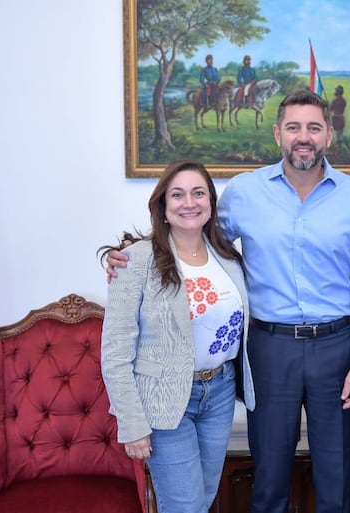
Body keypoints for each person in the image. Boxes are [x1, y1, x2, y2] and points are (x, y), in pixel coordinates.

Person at [106, 90, 350, 513]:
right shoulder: (244, 191)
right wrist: (133, 254)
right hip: (270, 349)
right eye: (293, 127)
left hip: (337, 348)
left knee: (337, 476)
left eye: (314, 127)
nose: (303, 136)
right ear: (278, 133)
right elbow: (193, 235)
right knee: (270, 475)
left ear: (328, 135)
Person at [100, 160, 255, 513]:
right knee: (184, 506)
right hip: (166, 400)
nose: (190, 202)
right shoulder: (135, 260)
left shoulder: (228, 257)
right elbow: (115, 351)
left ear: (211, 204)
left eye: (199, 193)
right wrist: (132, 423)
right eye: (178, 194)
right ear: (163, 207)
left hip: (218, 394)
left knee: (200, 500)